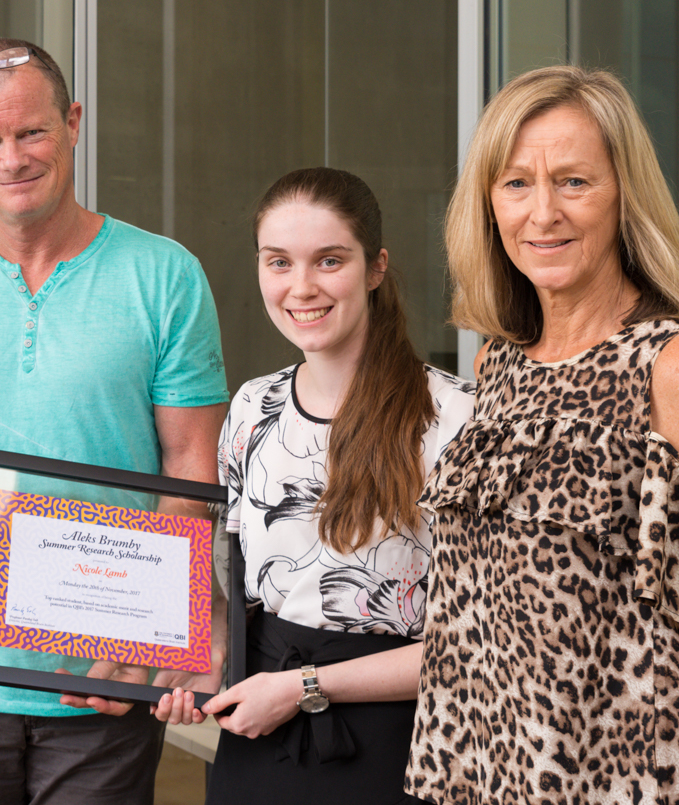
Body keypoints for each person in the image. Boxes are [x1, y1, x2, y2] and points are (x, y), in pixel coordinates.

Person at [404, 65, 679, 805]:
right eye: (516, 183)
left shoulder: (678, 367)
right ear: (487, 204)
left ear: (623, 198)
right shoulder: (501, 360)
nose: (542, 212)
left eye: (573, 181)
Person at [0, 37, 229, 805]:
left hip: (102, 679)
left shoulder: (164, 274)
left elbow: (190, 468)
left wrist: (150, 637)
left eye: (30, 131)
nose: (12, 158)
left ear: (72, 123)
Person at [154, 168, 474, 803]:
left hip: (400, 747)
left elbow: (482, 640)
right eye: (279, 262)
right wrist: (202, 660)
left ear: (375, 268)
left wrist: (304, 688)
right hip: (257, 730)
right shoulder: (252, 406)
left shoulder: (455, 416)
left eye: (329, 261)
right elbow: (234, 593)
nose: (301, 288)